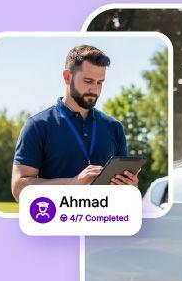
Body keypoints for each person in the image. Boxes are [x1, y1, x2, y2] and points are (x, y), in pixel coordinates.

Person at [11, 44, 138, 200]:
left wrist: (130, 187)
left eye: (100, 82)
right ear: (67, 77)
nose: (95, 90)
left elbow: (124, 195)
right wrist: (73, 183)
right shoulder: (38, 125)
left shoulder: (114, 128)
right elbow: (19, 188)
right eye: (88, 81)